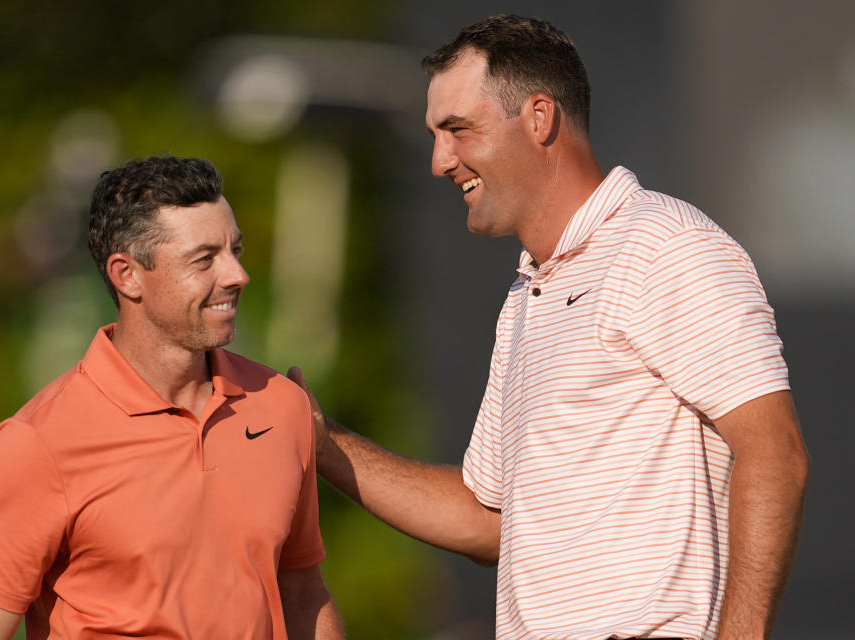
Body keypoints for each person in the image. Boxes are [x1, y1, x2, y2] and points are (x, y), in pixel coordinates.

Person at [288, 15, 808, 640]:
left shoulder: (666, 245)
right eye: (434, 135)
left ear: (539, 117)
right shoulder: (528, 290)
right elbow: (488, 522)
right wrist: (325, 445)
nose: (438, 161)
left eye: (458, 130)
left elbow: (774, 452)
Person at [0, 156, 345, 640]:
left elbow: (301, 590)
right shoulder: (35, 444)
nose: (237, 275)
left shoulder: (282, 405)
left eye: (236, 250)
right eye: (204, 259)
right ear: (127, 275)